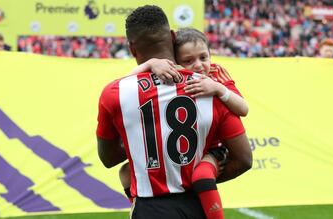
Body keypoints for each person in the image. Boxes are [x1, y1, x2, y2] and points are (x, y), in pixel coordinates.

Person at [97, 5, 252, 219]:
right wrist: (200, 182)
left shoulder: (114, 93)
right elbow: (244, 159)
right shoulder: (210, 87)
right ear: (172, 36)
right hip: (196, 204)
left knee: (125, 174)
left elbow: (108, 158)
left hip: (149, 209)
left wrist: (144, 136)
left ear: (132, 49)